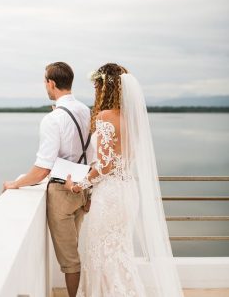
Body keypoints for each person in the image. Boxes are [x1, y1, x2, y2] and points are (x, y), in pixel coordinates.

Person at [64, 63, 184, 296]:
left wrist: (79, 185)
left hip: (110, 195)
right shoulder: (133, 119)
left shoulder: (106, 116)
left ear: (105, 87)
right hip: (127, 191)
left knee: (100, 251)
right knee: (118, 251)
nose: (95, 91)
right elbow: (119, 160)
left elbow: (106, 165)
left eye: (96, 86)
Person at [2, 62, 93, 297]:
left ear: (51, 83)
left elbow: (42, 169)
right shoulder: (85, 110)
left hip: (62, 192)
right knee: (73, 251)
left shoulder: (52, 120)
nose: (45, 85)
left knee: (69, 259)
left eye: (45, 81)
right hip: (81, 189)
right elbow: (90, 153)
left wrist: (15, 184)